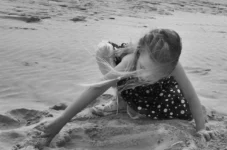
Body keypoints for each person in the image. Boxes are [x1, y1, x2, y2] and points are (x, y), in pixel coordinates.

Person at [43, 29, 216, 142]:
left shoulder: (174, 66)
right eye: (144, 68)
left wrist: (200, 128)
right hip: (131, 86)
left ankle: (130, 105)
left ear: (171, 67)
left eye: (158, 74)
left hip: (158, 100)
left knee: (177, 110)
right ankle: (121, 100)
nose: (146, 76)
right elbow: (96, 88)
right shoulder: (129, 60)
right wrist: (61, 120)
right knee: (105, 50)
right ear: (139, 52)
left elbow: (192, 97)